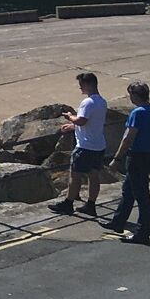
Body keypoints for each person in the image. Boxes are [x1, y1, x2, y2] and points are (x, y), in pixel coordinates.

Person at [104, 81, 150, 244]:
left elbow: (128, 138)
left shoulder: (138, 113)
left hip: (137, 156)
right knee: (128, 190)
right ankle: (118, 221)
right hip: (149, 155)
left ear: (135, 95)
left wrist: (117, 158)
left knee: (141, 195)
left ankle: (143, 232)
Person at [51, 72, 108, 216]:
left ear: (88, 85)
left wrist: (70, 117)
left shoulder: (88, 102)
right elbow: (92, 122)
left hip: (85, 146)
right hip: (99, 145)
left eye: (81, 85)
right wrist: (73, 127)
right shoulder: (102, 101)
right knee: (93, 175)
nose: (80, 88)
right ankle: (91, 204)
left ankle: (68, 203)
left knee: (75, 175)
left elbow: (81, 120)